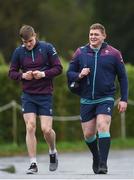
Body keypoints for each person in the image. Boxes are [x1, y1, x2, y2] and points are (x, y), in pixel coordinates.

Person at [67, 23, 128, 174]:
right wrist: (80, 74)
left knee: (102, 125)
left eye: (96, 34)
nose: (93, 37)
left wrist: (124, 99)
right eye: (91, 34)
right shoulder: (80, 52)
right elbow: (70, 73)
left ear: (104, 36)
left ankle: (103, 164)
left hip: (105, 97)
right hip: (86, 98)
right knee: (88, 135)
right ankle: (96, 156)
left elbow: (123, 77)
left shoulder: (114, 53)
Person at [8, 25, 63, 174]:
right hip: (28, 95)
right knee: (30, 126)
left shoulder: (47, 48)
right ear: (22, 41)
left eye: (30, 41)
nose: (28, 44)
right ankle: (33, 163)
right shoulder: (18, 52)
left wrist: (43, 74)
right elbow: (11, 72)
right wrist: (22, 76)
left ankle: (52, 151)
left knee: (46, 130)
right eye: (25, 42)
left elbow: (58, 68)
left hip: (45, 94)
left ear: (35, 36)